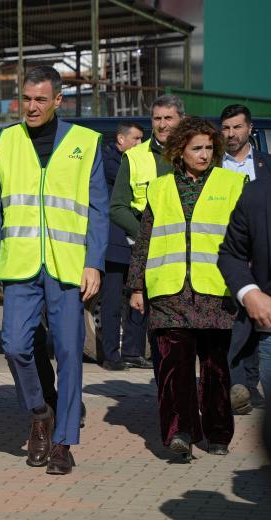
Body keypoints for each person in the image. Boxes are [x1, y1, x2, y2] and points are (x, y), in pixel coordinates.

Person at [0, 66, 108, 475]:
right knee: (15, 345)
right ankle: (39, 412)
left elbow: (98, 210)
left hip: (68, 268)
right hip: (19, 265)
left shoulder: (86, 143)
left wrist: (94, 262)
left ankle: (64, 442)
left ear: (57, 101)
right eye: (26, 98)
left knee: (70, 353)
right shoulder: (3, 143)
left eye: (40, 99)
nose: (31, 107)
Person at [128, 117, 245, 462]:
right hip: (169, 293)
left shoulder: (233, 183)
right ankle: (180, 432)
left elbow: (245, 238)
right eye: (197, 148)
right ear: (180, 150)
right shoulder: (159, 188)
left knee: (215, 369)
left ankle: (218, 434)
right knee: (173, 367)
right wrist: (136, 286)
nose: (205, 154)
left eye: (210, 147)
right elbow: (144, 241)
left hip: (215, 291)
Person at [110, 94, 185, 378]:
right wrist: (146, 234)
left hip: (193, 258)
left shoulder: (197, 151)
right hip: (154, 258)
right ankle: (166, 395)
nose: (163, 125)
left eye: (169, 118)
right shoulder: (134, 157)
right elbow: (117, 207)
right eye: (157, 119)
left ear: (181, 119)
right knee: (162, 334)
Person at [219, 104, 271, 414]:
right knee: (235, 328)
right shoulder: (212, 165)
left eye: (237, 127)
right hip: (229, 258)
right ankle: (236, 385)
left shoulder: (265, 165)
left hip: (260, 259)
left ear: (249, 128)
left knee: (256, 330)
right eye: (226, 128)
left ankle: (249, 386)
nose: (231, 134)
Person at [100, 122, 151, 371]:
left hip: (136, 243)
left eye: (143, 139)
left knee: (139, 297)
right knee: (111, 302)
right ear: (120, 139)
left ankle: (133, 351)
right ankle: (111, 354)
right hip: (115, 242)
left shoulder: (136, 160)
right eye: (136, 138)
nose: (140, 144)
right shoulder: (111, 161)